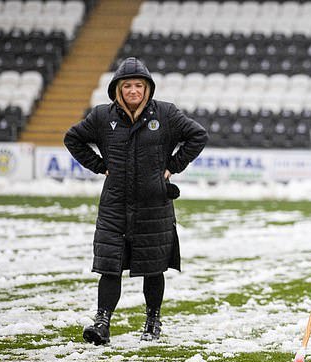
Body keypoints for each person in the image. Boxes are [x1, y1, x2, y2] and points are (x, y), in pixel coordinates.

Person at [64, 57, 208, 345]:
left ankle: (153, 321)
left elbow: (198, 135)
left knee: (153, 267)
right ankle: (102, 322)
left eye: (138, 86)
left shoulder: (165, 114)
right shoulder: (102, 117)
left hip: (154, 205)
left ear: (147, 89)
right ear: (118, 89)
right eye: (127, 85)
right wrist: (99, 165)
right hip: (115, 206)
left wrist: (172, 167)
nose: (133, 90)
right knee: (109, 266)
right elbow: (73, 138)